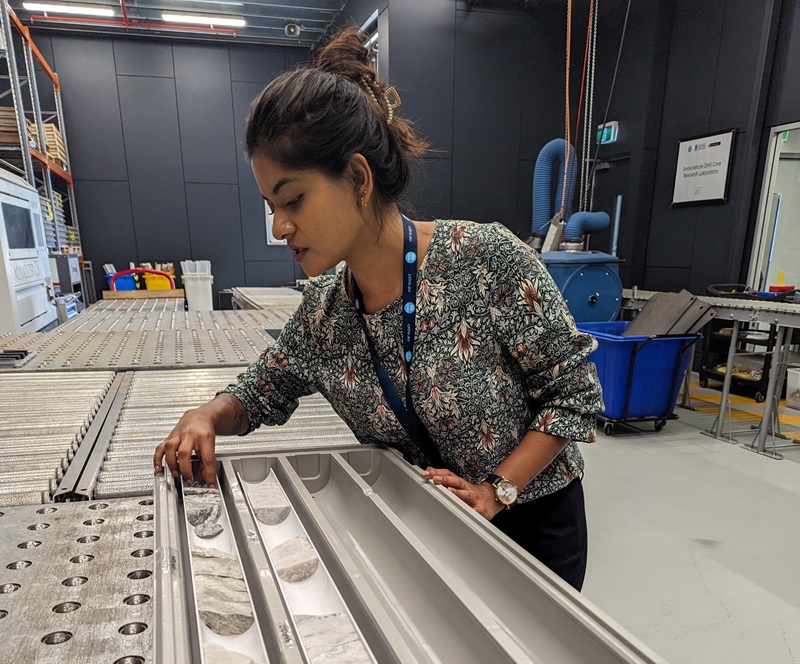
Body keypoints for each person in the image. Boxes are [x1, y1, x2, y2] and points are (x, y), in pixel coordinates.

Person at [154, 28, 603, 591]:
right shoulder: (326, 314)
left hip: (531, 527)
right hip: (431, 527)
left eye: (293, 200)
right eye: (271, 205)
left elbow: (574, 394)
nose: (279, 226)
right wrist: (206, 416)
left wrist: (496, 489)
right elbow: (258, 392)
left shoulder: (485, 261)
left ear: (359, 178)